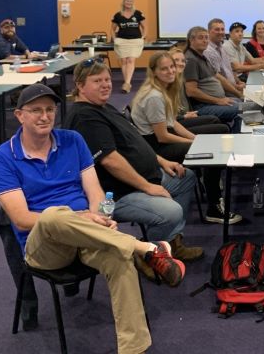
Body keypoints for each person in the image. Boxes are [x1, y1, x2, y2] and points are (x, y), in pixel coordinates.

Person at [0, 83, 185, 354]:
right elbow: (22, 219)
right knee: (53, 215)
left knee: (119, 258)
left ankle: (134, 348)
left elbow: (95, 192)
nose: (44, 116)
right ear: (20, 115)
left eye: (50, 109)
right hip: (44, 247)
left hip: (87, 235)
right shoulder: (2, 157)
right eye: (35, 111)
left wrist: (99, 217)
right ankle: (144, 248)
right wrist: (84, 218)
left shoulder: (73, 140)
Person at [63, 58, 204, 268]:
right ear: (80, 86)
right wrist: (148, 187)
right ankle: (149, 256)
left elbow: (134, 140)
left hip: (142, 178)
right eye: (97, 81)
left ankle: (172, 243)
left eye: (107, 79)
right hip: (116, 194)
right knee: (171, 211)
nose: (106, 84)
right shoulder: (85, 117)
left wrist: (162, 161)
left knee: (185, 178)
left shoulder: (104, 106)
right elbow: (110, 161)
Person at [131, 52, 240, 224]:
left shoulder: (163, 89)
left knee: (214, 135)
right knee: (211, 151)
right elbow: (163, 136)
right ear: (154, 72)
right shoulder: (154, 96)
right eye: (164, 69)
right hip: (155, 148)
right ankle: (214, 208)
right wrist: (196, 143)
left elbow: (173, 123)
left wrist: (195, 138)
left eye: (171, 67)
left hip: (161, 138)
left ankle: (210, 177)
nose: (170, 71)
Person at [183, 26, 242, 132]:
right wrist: (218, 101)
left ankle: (235, 133)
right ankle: (236, 139)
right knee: (243, 108)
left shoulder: (201, 56)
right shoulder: (191, 60)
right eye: (201, 38)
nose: (205, 41)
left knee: (247, 104)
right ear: (191, 40)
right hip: (203, 106)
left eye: (206, 37)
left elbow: (219, 77)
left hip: (215, 101)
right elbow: (191, 91)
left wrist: (239, 94)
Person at [169, 46, 228, 133]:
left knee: (215, 121)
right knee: (221, 126)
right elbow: (167, 116)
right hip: (174, 124)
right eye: (176, 60)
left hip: (183, 116)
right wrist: (184, 117)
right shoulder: (168, 83)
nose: (180, 63)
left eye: (183, 61)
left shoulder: (180, 80)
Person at [111, 0, 145, 93]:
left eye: (130, 1)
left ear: (133, 3)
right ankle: (127, 83)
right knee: (124, 60)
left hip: (135, 41)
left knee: (130, 59)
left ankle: (126, 83)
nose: (129, 3)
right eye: (127, 1)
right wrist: (114, 39)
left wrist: (143, 37)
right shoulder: (118, 15)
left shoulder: (138, 13)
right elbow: (112, 30)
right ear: (123, 3)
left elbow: (145, 27)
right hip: (121, 41)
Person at [205, 18, 245, 98]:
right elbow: (219, 79)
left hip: (234, 89)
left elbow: (229, 70)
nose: (220, 32)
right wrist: (238, 92)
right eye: (217, 29)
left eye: (222, 29)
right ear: (208, 32)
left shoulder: (221, 47)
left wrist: (239, 82)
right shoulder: (208, 51)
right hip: (226, 95)